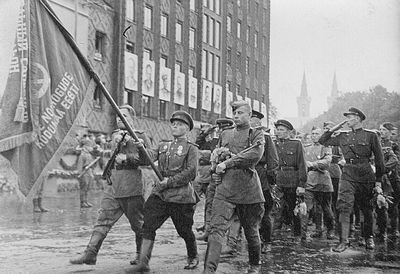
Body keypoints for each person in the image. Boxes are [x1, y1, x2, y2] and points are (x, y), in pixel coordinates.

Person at [70, 105, 151, 265]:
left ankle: (141, 258)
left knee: (138, 225)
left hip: (132, 185)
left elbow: (148, 160)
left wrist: (128, 158)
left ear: (131, 118)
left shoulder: (140, 135)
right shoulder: (114, 135)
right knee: (103, 220)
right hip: (114, 185)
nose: (120, 119)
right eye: (118, 116)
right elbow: (111, 157)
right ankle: (90, 253)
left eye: (125, 116)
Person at [126, 111, 200, 273]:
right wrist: (142, 147)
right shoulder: (163, 145)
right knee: (148, 225)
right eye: (173, 124)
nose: (175, 126)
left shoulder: (191, 148)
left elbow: (191, 172)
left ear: (187, 129)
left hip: (180, 196)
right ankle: (143, 263)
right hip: (160, 194)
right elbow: (147, 159)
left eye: (180, 124)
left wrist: (170, 182)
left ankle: (193, 256)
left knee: (184, 230)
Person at [203, 101, 265, 274]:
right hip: (225, 189)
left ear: (249, 115)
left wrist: (228, 162)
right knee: (216, 229)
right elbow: (215, 156)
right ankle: (208, 270)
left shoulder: (257, 134)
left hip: (248, 190)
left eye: (240, 113)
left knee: (251, 231)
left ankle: (254, 265)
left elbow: (254, 155)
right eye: (234, 113)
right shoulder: (225, 134)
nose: (236, 116)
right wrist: (214, 169)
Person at [318, 107, 384, 252]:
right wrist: (338, 126)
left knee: (366, 208)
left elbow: (379, 159)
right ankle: (343, 241)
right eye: (346, 117)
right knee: (344, 206)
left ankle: (369, 237)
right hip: (348, 174)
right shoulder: (343, 135)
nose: (347, 120)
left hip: (366, 174)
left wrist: (378, 182)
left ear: (359, 118)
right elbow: (322, 140)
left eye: (350, 117)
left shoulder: (371, 136)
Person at [196, 118, 235, 243]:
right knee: (209, 203)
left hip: (228, 177)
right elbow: (199, 145)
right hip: (213, 176)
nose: (221, 130)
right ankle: (208, 229)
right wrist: (205, 133)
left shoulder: (233, 140)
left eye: (224, 128)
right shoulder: (214, 141)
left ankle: (232, 237)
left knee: (229, 207)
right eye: (219, 128)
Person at [273, 119, 307, 242]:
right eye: (277, 129)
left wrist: (302, 184)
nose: (278, 132)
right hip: (278, 179)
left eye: (282, 130)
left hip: (293, 180)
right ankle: (275, 233)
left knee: (295, 208)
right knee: (277, 207)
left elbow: (302, 165)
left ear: (288, 132)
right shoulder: (273, 144)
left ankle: (298, 234)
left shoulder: (296, 144)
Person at [251, 110, 279, 253]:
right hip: (245, 175)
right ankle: (253, 240)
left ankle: (267, 241)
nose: (252, 123)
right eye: (250, 119)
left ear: (259, 122)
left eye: (254, 120)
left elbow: (273, 160)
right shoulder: (243, 135)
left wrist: (271, 179)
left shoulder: (265, 137)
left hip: (261, 176)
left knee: (264, 212)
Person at [302, 127, 335, 241]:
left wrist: (312, 164)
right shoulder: (306, 148)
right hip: (310, 181)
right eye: (313, 133)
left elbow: (327, 162)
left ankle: (330, 229)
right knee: (309, 208)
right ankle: (314, 230)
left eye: (317, 134)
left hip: (323, 181)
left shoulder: (326, 147)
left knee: (326, 208)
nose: (314, 136)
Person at [378, 122, 400, 239]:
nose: (382, 132)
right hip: (380, 178)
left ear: (390, 132)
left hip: (393, 177)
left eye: (384, 130)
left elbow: (397, 160)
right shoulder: (376, 143)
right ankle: (383, 231)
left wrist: (387, 169)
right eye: (380, 130)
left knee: (393, 205)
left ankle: (395, 229)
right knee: (381, 204)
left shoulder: (394, 145)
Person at [76, 137, 95, 208]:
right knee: (83, 188)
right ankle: (82, 202)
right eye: (89, 146)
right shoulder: (82, 155)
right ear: (85, 146)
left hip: (89, 172)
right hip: (84, 173)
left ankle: (86, 201)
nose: (90, 148)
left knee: (88, 188)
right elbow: (79, 166)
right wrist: (80, 173)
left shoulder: (89, 155)